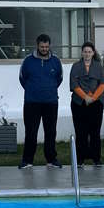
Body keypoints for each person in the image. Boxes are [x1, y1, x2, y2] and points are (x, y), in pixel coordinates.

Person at [18, 34, 63, 169]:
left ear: (49, 46)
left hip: (51, 102)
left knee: (51, 132)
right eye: (42, 47)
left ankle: (51, 159)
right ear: (37, 45)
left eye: (47, 47)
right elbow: (22, 78)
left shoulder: (56, 61)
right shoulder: (28, 61)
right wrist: (33, 90)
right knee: (31, 132)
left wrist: (49, 89)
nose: (44, 49)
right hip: (32, 102)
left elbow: (59, 78)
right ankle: (27, 160)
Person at [69, 41, 104, 167]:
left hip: (96, 103)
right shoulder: (76, 66)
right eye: (85, 51)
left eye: (89, 52)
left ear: (93, 53)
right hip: (79, 103)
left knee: (95, 131)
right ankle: (80, 159)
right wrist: (85, 97)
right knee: (81, 132)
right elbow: (74, 84)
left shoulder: (99, 66)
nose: (87, 54)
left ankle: (96, 158)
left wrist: (93, 97)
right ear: (82, 53)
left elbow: (103, 83)